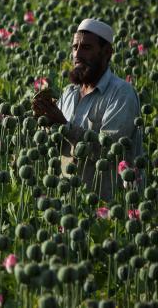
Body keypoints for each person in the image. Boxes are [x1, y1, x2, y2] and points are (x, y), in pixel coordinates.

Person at [32, 18, 143, 201]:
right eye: (75, 47)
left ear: (107, 52)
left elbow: (110, 152)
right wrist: (39, 122)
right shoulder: (69, 94)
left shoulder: (122, 93)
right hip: (67, 201)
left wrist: (63, 125)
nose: (77, 54)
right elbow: (53, 143)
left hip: (107, 207)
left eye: (86, 48)